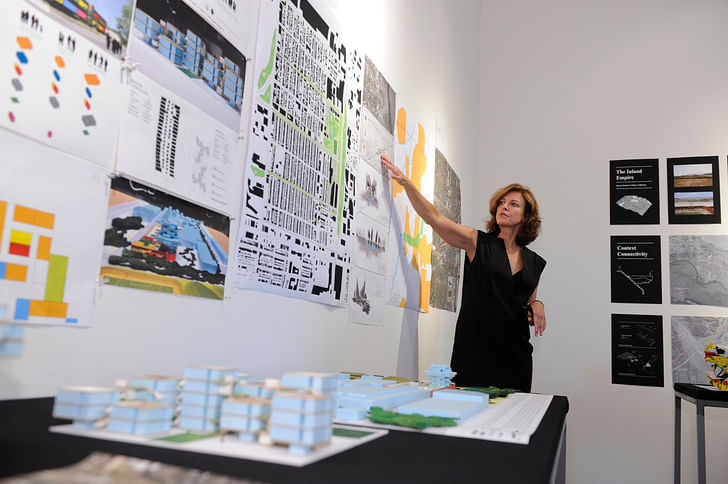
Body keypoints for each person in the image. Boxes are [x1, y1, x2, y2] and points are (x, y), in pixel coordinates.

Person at [380, 154, 546, 392]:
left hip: (515, 356)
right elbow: (435, 219)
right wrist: (408, 185)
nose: (504, 207)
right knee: (467, 418)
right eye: (502, 202)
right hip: (474, 351)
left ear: (526, 216)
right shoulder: (477, 242)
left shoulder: (534, 262)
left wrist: (538, 303)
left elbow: (527, 301)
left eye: (513, 204)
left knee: (511, 420)